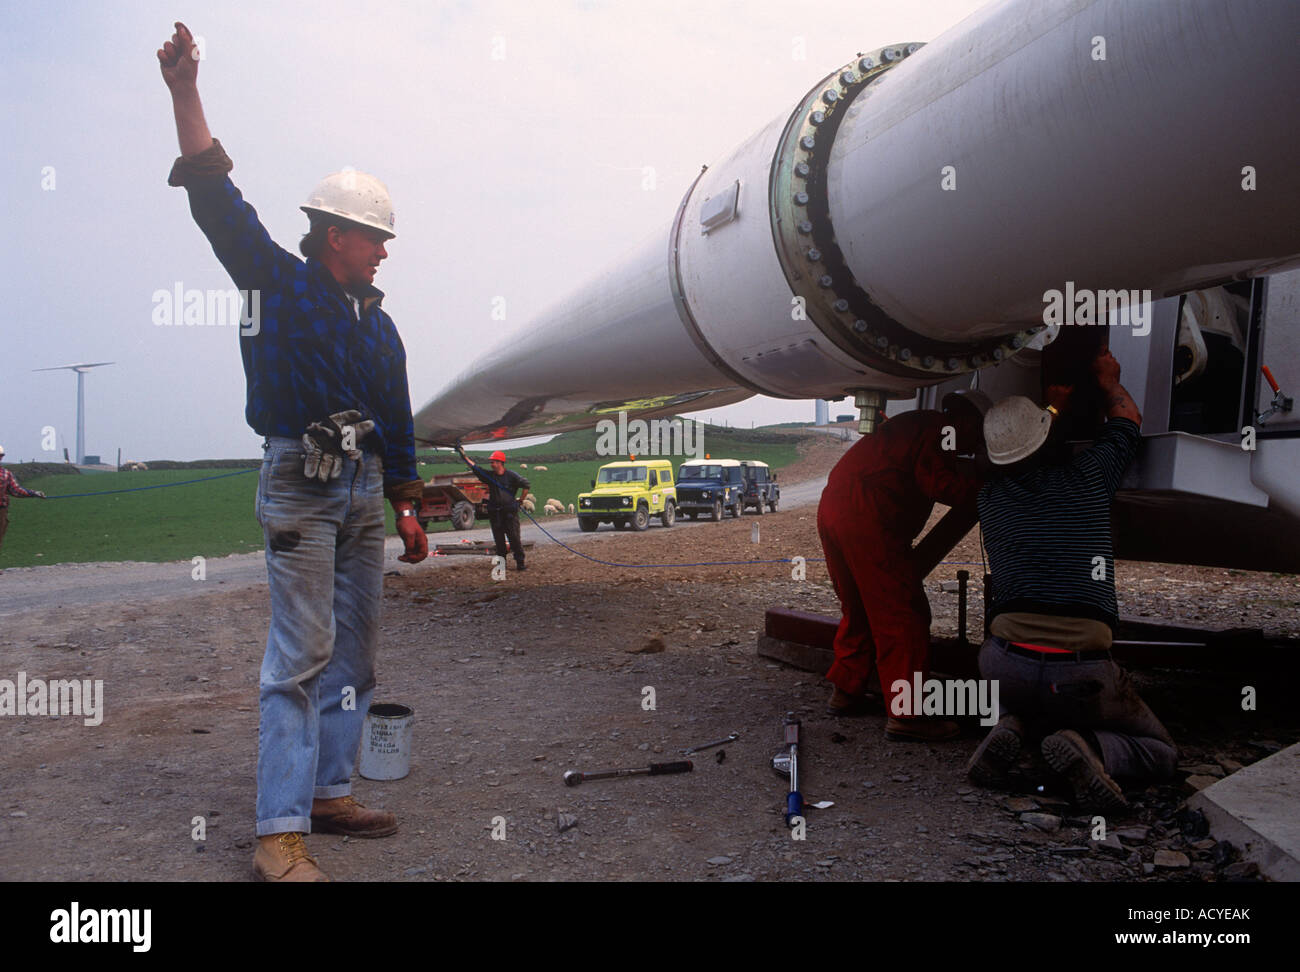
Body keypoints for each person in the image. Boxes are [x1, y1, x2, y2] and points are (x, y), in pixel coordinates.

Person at [158, 22, 428, 882]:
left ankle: (327, 791)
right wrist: (184, 93)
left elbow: (396, 415)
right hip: (299, 487)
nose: (385, 251)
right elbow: (214, 199)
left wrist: (408, 503)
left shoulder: (379, 326)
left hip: (360, 490)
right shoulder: (274, 282)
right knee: (302, 653)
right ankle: (278, 832)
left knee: (356, 654)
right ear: (333, 234)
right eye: (375, 237)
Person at [967, 350, 1177, 811]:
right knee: (1162, 752)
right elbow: (1128, 418)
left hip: (1003, 666)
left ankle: (1012, 726)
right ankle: (1091, 747)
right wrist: (1109, 381)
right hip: (1083, 673)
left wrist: (1051, 412)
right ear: (1050, 439)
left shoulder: (990, 500)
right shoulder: (1090, 478)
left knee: (1032, 698)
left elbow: (1025, 459)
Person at [817, 391, 990, 741]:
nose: (977, 443)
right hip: (868, 517)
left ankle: (847, 689)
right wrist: (987, 489)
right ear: (969, 421)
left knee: (862, 608)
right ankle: (908, 715)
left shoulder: (917, 423)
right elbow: (939, 484)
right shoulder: (943, 431)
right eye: (981, 434)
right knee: (903, 614)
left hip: (834, 507)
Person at [457, 446, 529, 571]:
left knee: (515, 540)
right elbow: (475, 468)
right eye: (491, 462)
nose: (491, 464)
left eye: (493, 462)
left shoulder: (512, 476)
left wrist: (520, 501)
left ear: (500, 463)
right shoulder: (489, 476)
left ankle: (520, 564)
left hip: (509, 514)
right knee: (499, 542)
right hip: (495, 514)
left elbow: (526, 485)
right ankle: (501, 565)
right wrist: (464, 456)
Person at [0, 445, 47, 555]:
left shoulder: (6, 474)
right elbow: (16, 490)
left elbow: (16, 490)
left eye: (1, 456)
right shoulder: (6, 474)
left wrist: (33, 493)